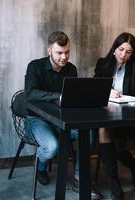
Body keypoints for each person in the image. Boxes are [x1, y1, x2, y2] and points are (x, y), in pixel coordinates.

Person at [24, 31, 101, 199]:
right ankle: (41, 167)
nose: (64, 57)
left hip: (62, 120)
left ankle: (79, 179)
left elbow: (72, 96)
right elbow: (30, 94)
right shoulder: (34, 67)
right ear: (49, 50)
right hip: (37, 120)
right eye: (60, 52)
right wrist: (57, 96)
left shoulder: (71, 69)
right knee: (52, 147)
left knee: (87, 134)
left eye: (67, 52)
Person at [94, 32, 135, 199]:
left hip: (127, 118)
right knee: (104, 131)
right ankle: (118, 178)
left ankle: (129, 170)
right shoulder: (103, 64)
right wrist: (107, 92)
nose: (123, 55)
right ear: (115, 48)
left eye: (128, 52)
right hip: (105, 115)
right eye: (121, 49)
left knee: (108, 141)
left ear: (133, 53)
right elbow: (94, 87)